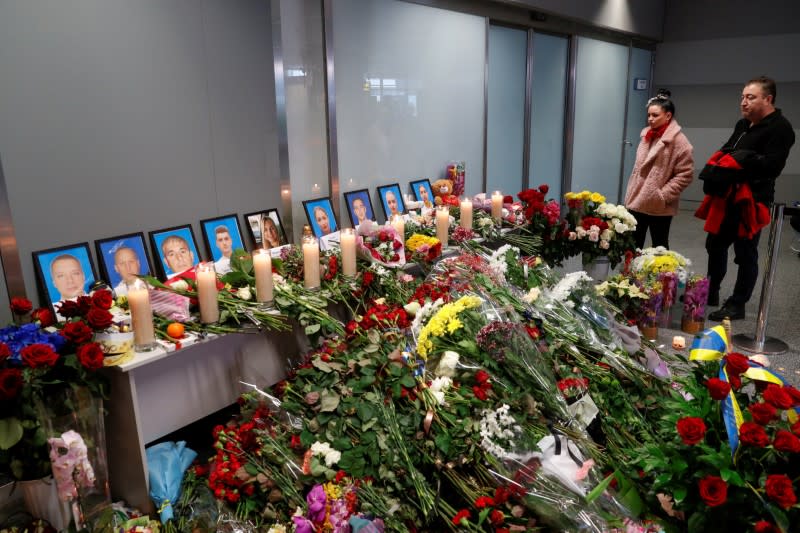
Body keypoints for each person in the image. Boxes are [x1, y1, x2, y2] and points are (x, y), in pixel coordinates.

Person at [697, 76, 795, 321]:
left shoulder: (780, 128)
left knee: (745, 252)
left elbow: (771, 166)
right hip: (727, 196)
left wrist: (742, 159)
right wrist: (729, 162)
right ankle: (711, 291)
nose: (743, 102)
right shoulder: (743, 125)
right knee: (715, 245)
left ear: (768, 99)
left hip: (753, 200)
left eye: (750, 97)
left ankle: (738, 304)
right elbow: (727, 151)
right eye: (742, 97)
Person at [624, 90, 694, 249]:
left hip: (659, 205)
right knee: (632, 245)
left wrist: (661, 196)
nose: (650, 119)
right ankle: (630, 273)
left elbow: (685, 175)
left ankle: (662, 275)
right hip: (637, 201)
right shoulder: (647, 136)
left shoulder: (680, 142)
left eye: (655, 115)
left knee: (660, 247)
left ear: (668, 116)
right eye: (649, 115)